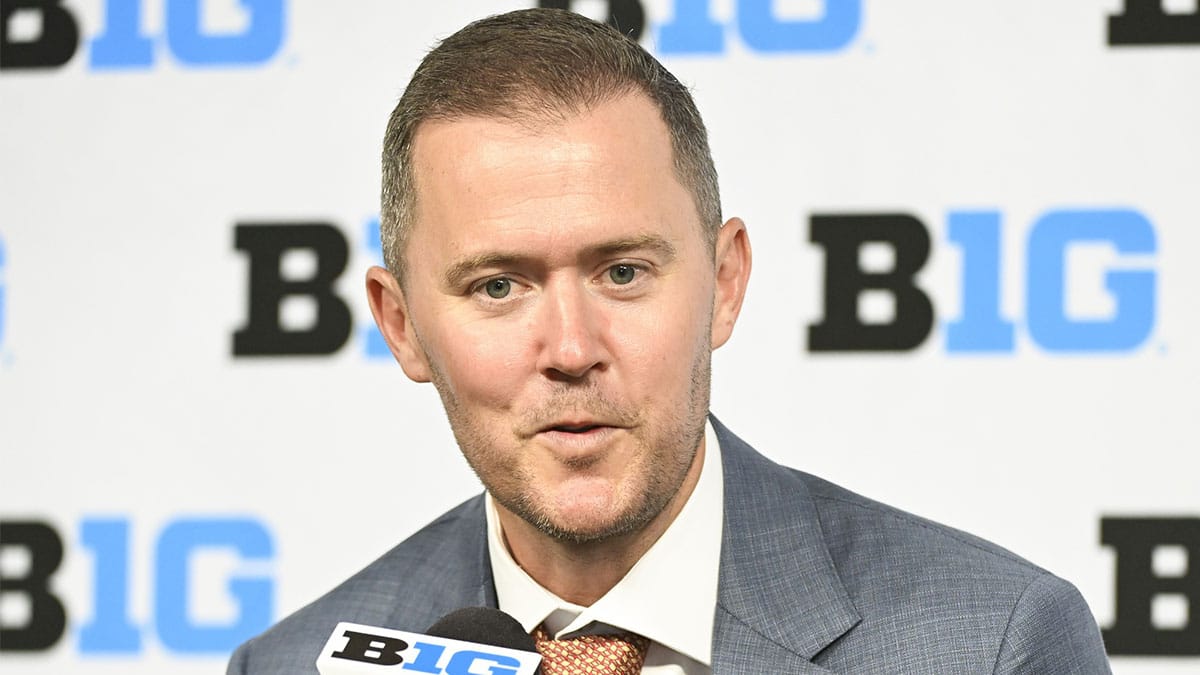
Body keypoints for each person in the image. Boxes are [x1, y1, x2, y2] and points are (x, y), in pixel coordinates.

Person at [228, 8, 1110, 674]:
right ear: (402, 326)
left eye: (623, 273)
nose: (570, 348)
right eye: (498, 286)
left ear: (725, 283)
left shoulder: (989, 643)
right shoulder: (290, 664)